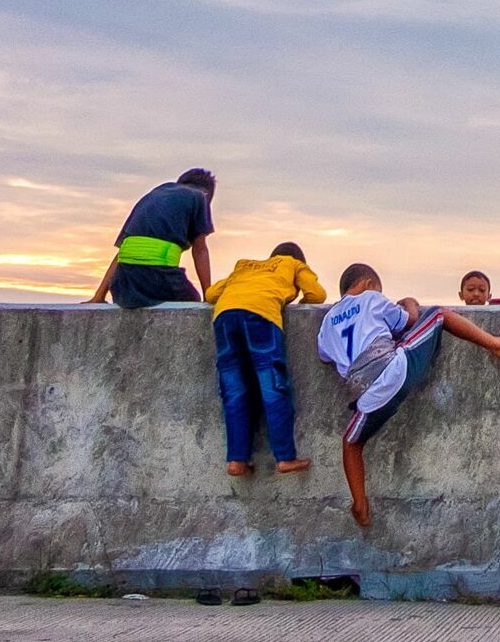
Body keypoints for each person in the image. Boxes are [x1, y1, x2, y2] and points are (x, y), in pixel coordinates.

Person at [318, 263, 500, 528]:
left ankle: (360, 504)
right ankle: (498, 345)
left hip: (365, 395)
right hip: (393, 371)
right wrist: (409, 302)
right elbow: (410, 320)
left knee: (351, 443)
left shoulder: (326, 322)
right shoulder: (369, 298)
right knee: (438, 314)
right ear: (368, 283)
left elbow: (324, 355)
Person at [204, 242, 327, 478]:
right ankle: (285, 457)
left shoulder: (243, 267)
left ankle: (237, 461)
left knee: (234, 392)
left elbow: (211, 294)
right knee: (273, 388)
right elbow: (317, 294)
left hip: (225, 317)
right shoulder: (292, 264)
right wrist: (297, 299)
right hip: (260, 317)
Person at [87, 169, 216, 308]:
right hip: (158, 279)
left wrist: (99, 296)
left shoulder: (154, 194)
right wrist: (207, 297)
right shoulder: (200, 196)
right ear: (208, 194)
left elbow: (122, 251)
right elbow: (200, 250)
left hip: (123, 286)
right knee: (191, 302)